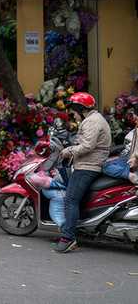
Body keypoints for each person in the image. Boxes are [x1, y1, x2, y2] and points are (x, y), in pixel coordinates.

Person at [55, 92, 111, 253]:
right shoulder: (94, 119)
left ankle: (68, 238)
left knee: (70, 200)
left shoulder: (91, 122)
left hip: (87, 166)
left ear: (80, 108)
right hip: (90, 163)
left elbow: (87, 146)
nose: (71, 113)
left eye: (73, 109)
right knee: (77, 200)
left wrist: (68, 151)